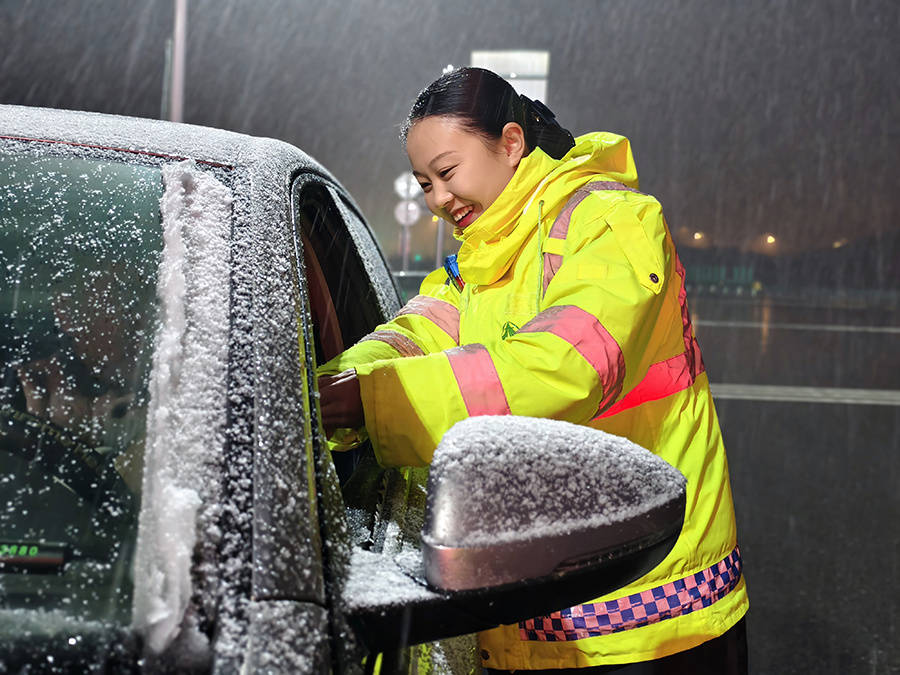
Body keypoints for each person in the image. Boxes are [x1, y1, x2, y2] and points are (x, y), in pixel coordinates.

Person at [318, 67, 748, 673]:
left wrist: (373, 401)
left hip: (646, 615)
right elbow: (410, 337)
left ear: (511, 142)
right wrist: (327, 385)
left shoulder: (611, 224)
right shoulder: (480, 260)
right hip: (528, 610)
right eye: (423, 185)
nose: (438, 199)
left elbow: (563, 368)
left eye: (447, 172)